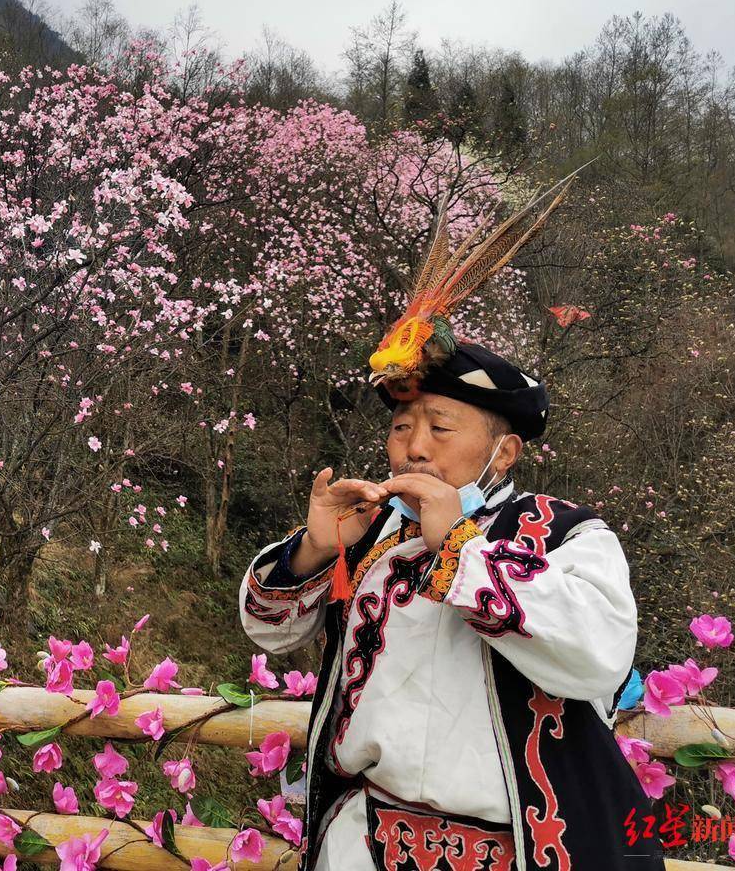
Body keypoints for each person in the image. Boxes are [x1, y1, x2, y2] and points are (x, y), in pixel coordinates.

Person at [241, 341, 662, 870]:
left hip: (519, 850)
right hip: (359, 842)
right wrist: (315, 550)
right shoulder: (372, 531)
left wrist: (460, 550)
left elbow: (601, 655)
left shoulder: (562, 534)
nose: (414, 448)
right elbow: (270, 630)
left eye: (440, 428)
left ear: (503, 453)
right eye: (400, 428)